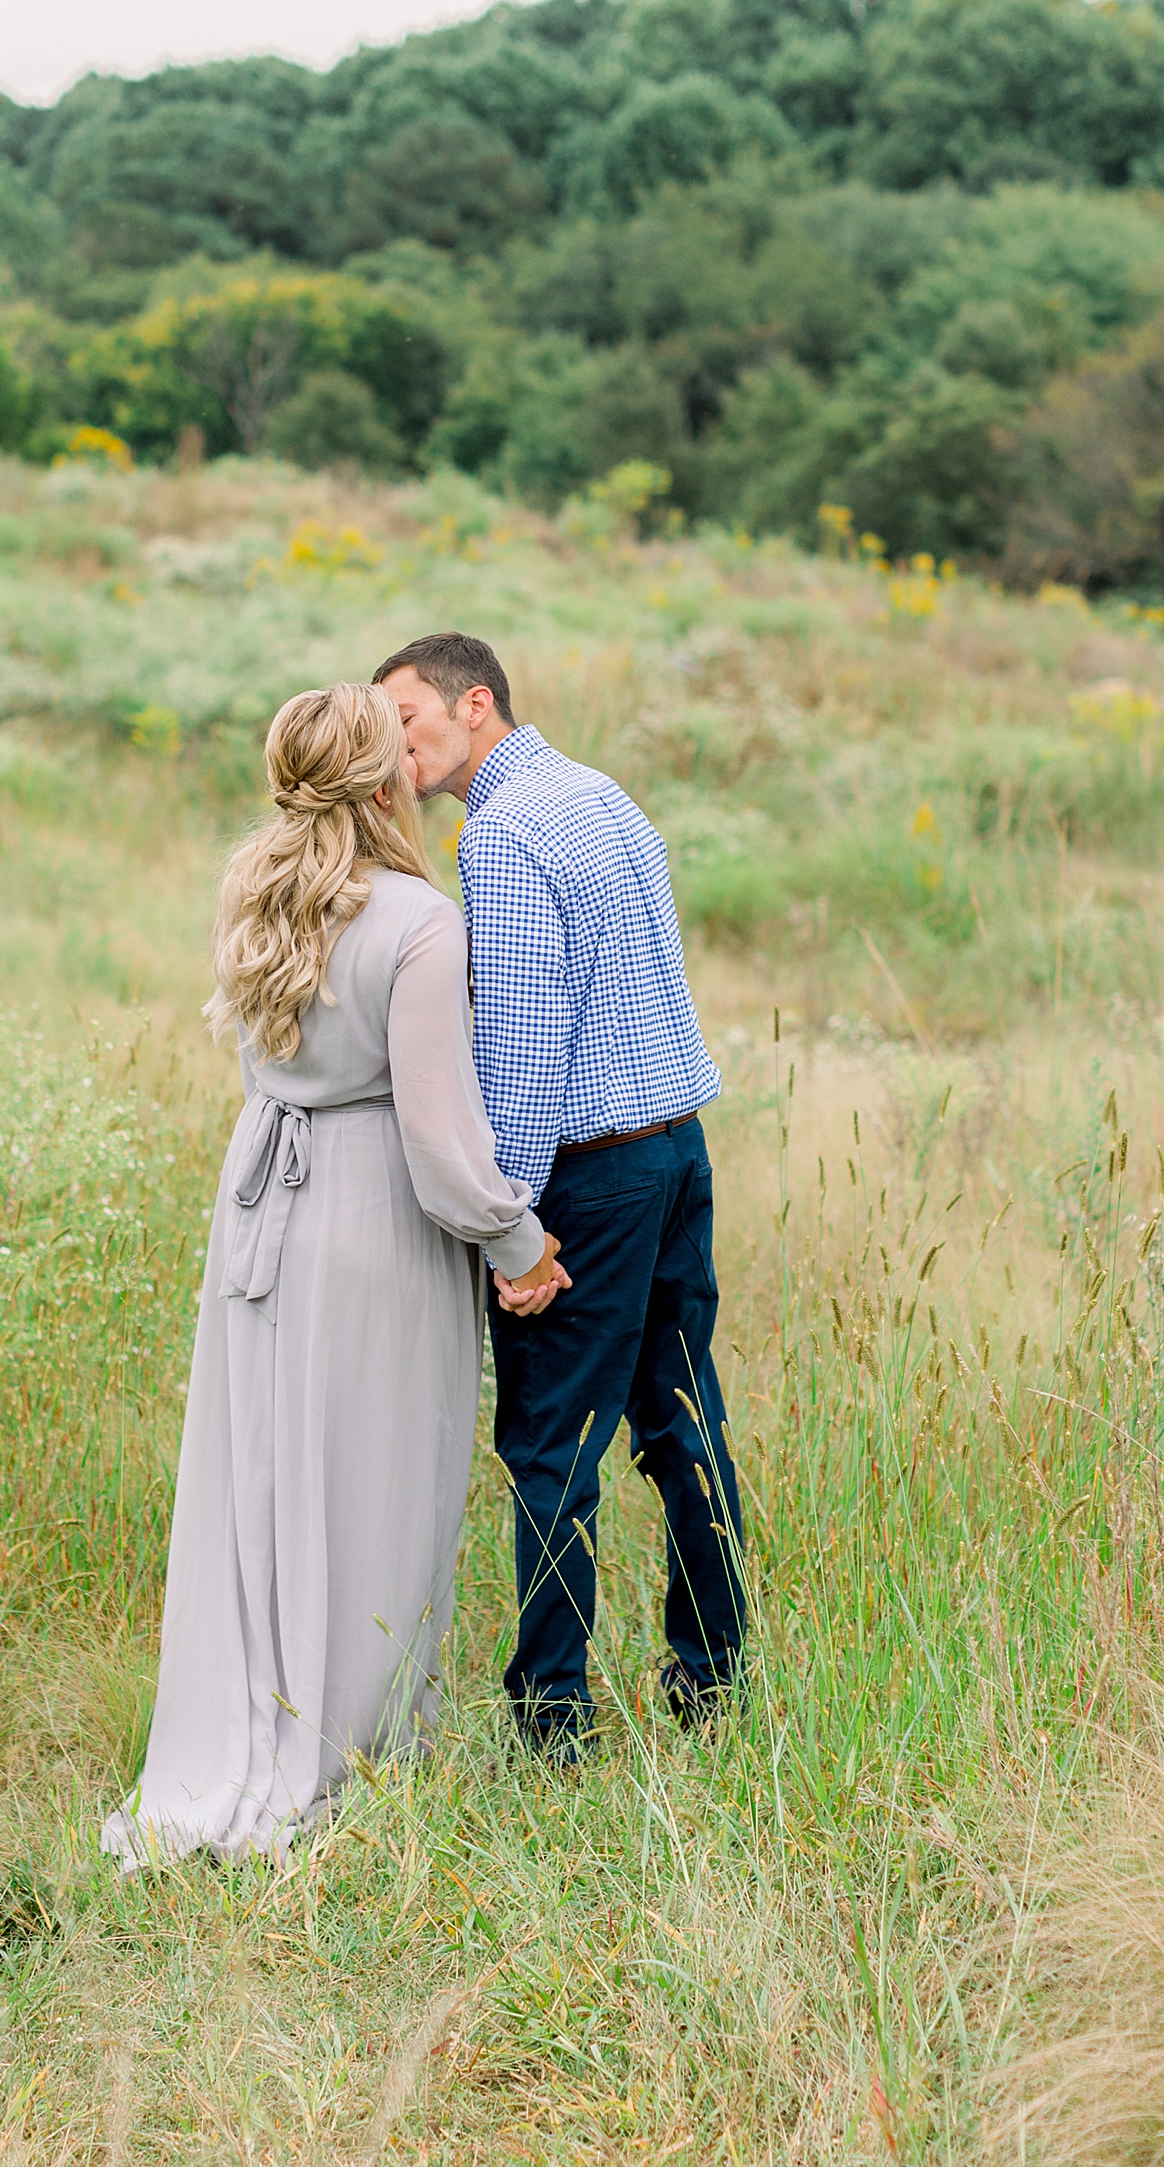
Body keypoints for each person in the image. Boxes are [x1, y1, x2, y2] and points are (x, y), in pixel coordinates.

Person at [102, 683, 566, 1868]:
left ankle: (246, 1727)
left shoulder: (253, 885)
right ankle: (349, 1752)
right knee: (375, 1482)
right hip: (372, 1217)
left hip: (259, 1197)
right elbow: (440, 1136)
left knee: (260, 1474)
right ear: (387, 782)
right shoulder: (419, 919)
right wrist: (519, 1241)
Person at [374, 631, 745, 1752]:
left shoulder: (502, 832)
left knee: (551, 1449)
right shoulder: (597, 791)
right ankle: (712, 1676)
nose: (395, 740)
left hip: (592, 1179)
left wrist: (513, 1229)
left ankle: (550, 1717)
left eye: (407, 714)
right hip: (677, 1151)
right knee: (686, 1422)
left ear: (473, 702)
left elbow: (528, 1054)